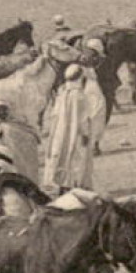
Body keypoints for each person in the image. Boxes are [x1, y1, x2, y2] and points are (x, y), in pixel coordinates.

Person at [43, 63, 98, 192]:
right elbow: (83, 119)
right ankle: (73, 185)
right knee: (75, 158)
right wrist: (85, 134)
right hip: (75, 134)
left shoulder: (62, 94)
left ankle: (61, 184)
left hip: (59, 133)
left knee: (61, 155)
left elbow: (54, 116)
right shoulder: (80, 96)